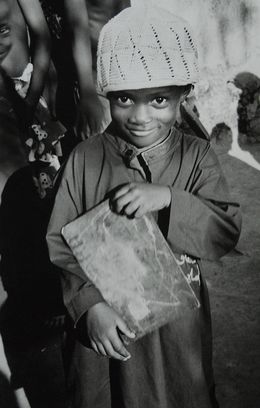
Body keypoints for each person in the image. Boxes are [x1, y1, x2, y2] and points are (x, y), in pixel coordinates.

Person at [47, 5, 242, 408]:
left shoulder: (197, 157)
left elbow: (224, 232)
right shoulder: (86, 159)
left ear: (183, 94)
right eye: (123, 99)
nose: (139, 116)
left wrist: (171, 200)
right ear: (106, 94)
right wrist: (89, 305)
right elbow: (59, 242)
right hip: (108, 334)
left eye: (158, 99)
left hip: (176, 336)